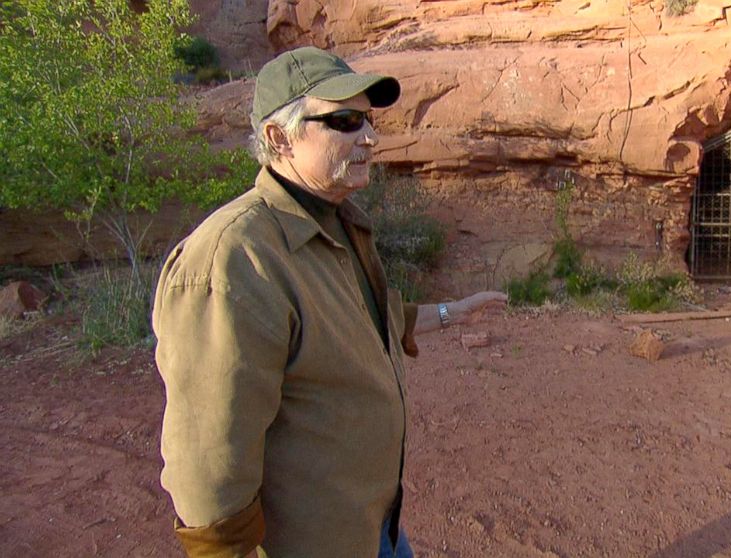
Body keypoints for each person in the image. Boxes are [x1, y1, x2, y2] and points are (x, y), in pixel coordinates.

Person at [152, 46, 506, 558]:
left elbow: (357, 324)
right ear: (279, 138)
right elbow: (208, 461)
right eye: (343, 121)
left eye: (366, 119)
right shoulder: (234, 258)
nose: (369, 136)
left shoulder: (335, 220)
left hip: (372, 526)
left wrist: (452, 312)